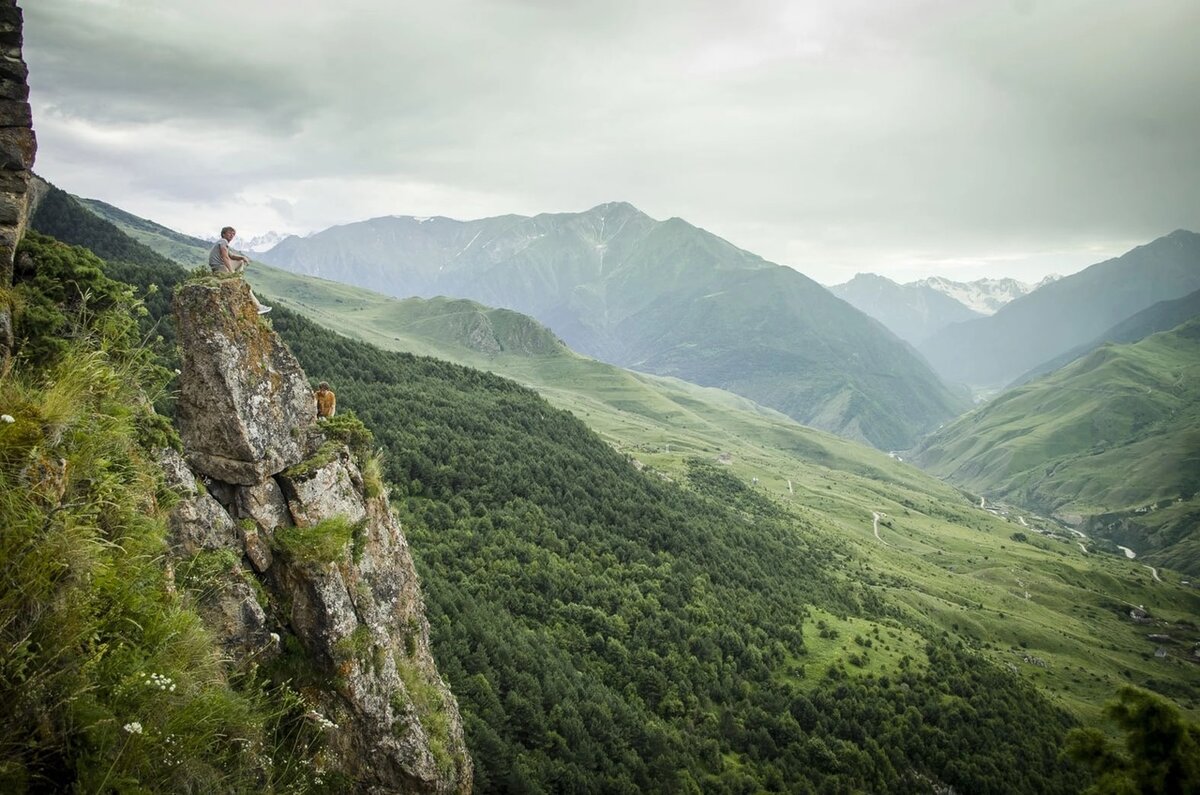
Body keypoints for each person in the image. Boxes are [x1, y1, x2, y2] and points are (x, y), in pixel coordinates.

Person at [209, 226, 272, 314]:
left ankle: (238, 276)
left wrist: (243, 257)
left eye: (233, 234)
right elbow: (225, 257)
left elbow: (231, 256)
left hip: (218, 267)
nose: (232, 235)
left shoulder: (222, 243)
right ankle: (258, 307)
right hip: (220, 267)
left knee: (241, 261)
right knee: (243, 284)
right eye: (229, 233)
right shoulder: (223, 241)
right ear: (223, 234)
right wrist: (231, 272)